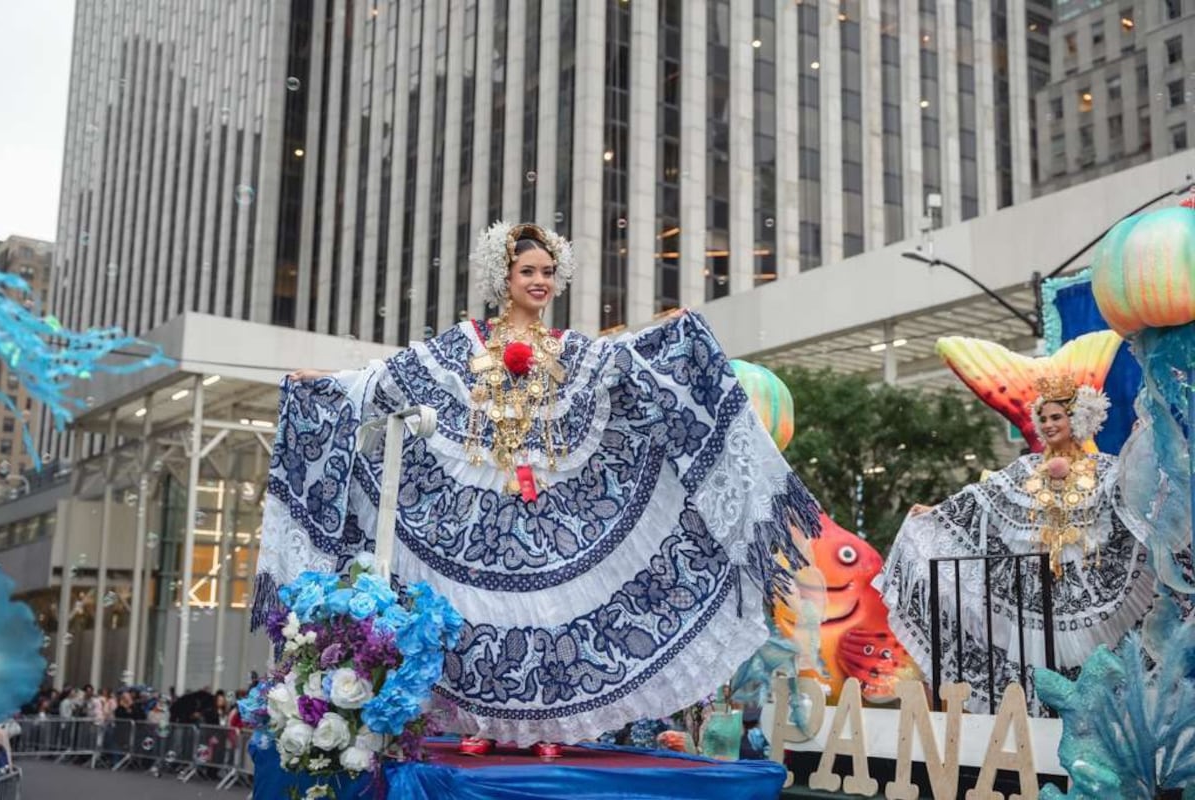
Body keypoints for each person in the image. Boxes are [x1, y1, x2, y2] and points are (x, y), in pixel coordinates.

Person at [258, 220, 820, 757]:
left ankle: (544, 728)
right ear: (503, 279)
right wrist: (328, 383)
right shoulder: (464, 342)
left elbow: (622, 362)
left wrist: (668, 333)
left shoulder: (568, 347)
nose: (540, 281)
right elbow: (394, 377)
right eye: (528, 270)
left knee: (548, 619)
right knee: (474, 616)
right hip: (479, 503)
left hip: (549, 500)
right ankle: (484, 726)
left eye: (548, 271)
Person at [875, 373, 1157, 713]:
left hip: (1087, 590)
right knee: (1034, 668)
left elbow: (1132, 492)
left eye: (1057, 416)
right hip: (1034, 591)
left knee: (1095, 665)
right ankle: (1032, 735)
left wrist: (1141, 445)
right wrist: (936, 511)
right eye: (1044, 418)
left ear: (1078, 418)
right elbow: (980, 500)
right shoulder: (1025, 469)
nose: (1050, 424)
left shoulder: (1102, 468)